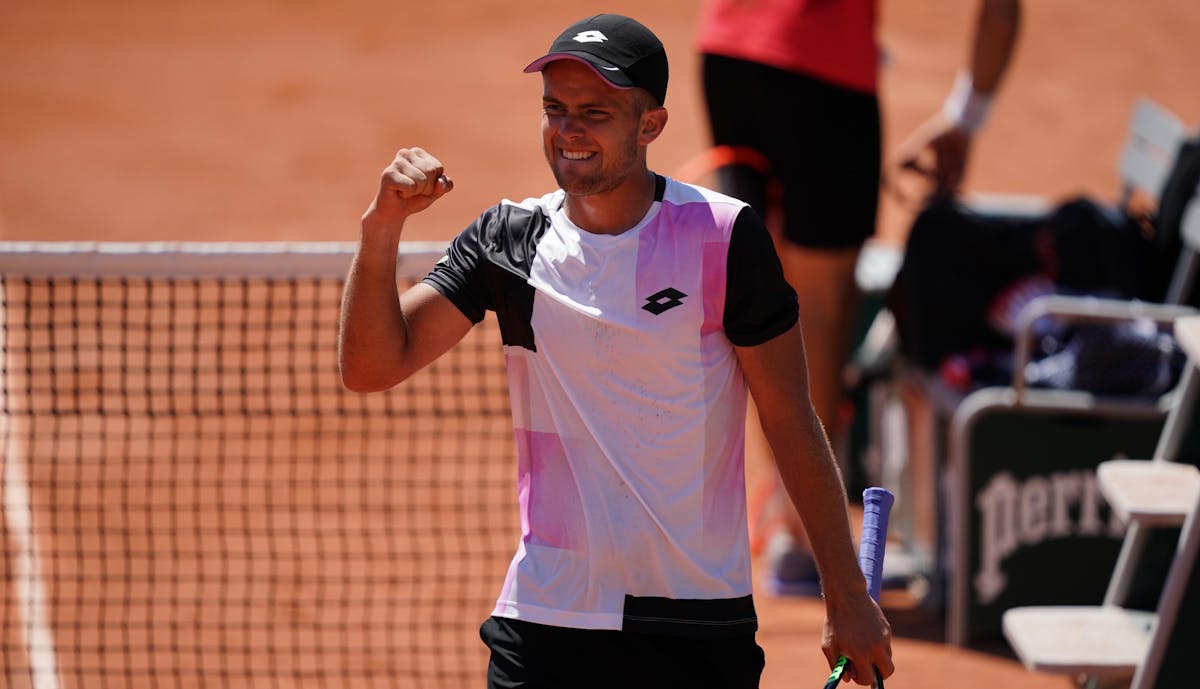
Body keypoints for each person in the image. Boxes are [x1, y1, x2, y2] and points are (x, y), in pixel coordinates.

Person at [338, 13, 893, 689]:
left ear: (650, 124)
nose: (568, 130)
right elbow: (370, 366)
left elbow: (788, 417)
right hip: (549, 616)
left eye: (594, 112)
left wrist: (845, 593)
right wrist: (382, 226)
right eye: (555, 110)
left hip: (696, 620)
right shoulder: (508, 243)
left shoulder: (724, 238)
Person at [696, 0, 1022, 595]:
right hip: (824, 72)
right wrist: (966, 118)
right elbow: (1000, 11)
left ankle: (782, 516)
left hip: (726, 49)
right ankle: (802, 539)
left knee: (758, 291)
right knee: (815, 309)